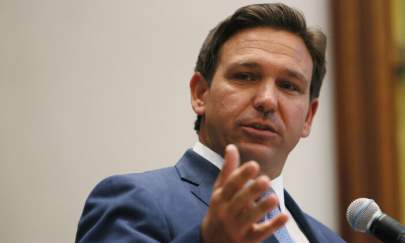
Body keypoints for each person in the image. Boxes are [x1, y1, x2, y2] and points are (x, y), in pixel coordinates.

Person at [75, 3, 345, 243]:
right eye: (245, 76)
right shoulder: (134, 201)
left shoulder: (328, 238)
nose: (267, 100)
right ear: (200, 93)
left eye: (288, 85)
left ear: (309, 116)